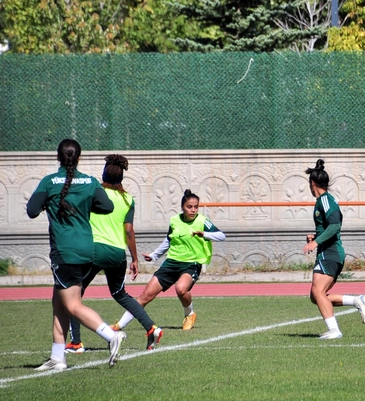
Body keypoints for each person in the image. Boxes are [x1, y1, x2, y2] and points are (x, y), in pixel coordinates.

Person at [26, 139, 127, 370]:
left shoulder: (49, 182)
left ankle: (112, 336)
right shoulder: (90, 182)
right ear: (79, 158)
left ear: (58, 157)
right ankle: (58, 358)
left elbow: (31, 210)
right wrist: (83, 205)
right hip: (85, 249)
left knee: (71, 305)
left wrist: (50, 205)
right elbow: (107, 207)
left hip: (65, 251)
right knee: (59, 303)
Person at [65, 155, 163, 353]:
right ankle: (152, 328)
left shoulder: (93, 192)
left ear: (103, 174)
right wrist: (134, 258)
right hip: (117, 254)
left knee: (73, 296)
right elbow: (128, 230)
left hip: (92, 251)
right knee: (120, 293)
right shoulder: (128, 199)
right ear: (122, 177)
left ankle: (75, 343)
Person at [113, 189, 225, 332]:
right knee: (145, 295)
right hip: (171, 263)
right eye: (189, 207)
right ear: (182, 207)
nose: (193, 210)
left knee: (181, 289)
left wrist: (205, 234)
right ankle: (119, 325)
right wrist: (154, 255)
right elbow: (168, 240)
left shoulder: (202, 221)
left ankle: (189, 314)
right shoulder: (174, 220)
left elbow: (221, 235)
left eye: (196, 207)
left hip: (191, 264)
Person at [302, 159, 365, 339]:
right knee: (316, 296)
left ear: (312, 183)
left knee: (318, 292)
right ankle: (356, 300)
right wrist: (315, 238)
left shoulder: (325, 200)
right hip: (329, 252)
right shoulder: (323, 201)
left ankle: (334, 330)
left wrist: (316, 243)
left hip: (329, 253)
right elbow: (328, 228)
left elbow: (334, 226)